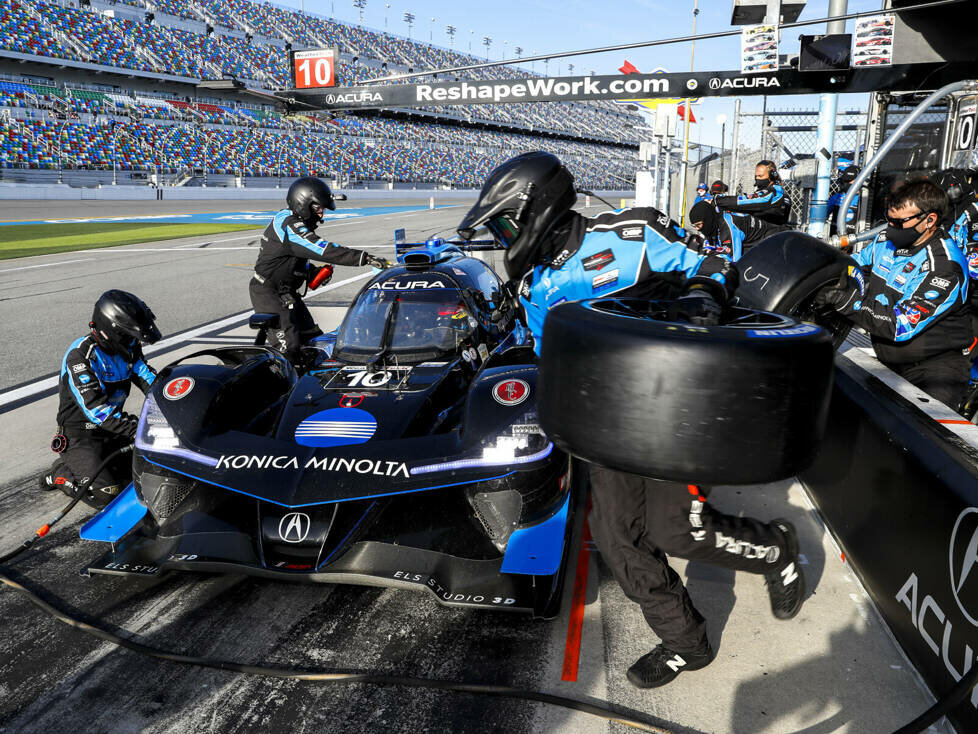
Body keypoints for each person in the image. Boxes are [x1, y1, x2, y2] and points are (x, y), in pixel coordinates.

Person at [457, 151, 806, 689]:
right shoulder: (532, 285)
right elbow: (550, 355)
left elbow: (715, 264)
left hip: (678, 409)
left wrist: (700, 294)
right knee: (618, 540)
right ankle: (687, 643)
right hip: (607, 424)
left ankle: (773, 547)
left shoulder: (633, 230)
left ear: (539, 209)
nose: (506, 238)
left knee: (677, 530)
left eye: (507, 223)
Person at [816, 179, 971, 406]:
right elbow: (848, 268)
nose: (890, 228)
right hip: (888, 359)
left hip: (934, 372)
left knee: (918, 437)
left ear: (929, 220)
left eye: (899, 222)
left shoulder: (945, 267)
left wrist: (845, 301)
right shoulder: (885, 242)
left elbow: (900, 324)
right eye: (889, 219)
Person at [251, 177, 389, 365]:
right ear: (303, 202)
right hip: (270, 293)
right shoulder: (289, 224)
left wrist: (311, 272)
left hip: (286, 293)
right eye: (318, 209)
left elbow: (287, 259)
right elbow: (321, 249)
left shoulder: (291, 222)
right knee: (289, 350)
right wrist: (364, 258)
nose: (321, 215)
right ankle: (283, 390)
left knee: (314, 340)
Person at [43, 291, 161, 508]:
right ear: (111, 331)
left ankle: (101, 466)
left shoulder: (129, 349)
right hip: (82, 437)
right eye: (128, 335)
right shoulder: (80, 356)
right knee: (107, 494)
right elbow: (98, 411)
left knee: (158, 467)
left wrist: (174, 401)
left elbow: (150, 381)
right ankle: (59, 472)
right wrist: (140, 429)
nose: (134, 341)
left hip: (113, 431)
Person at [688, 199, 789, 260]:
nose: (697, 229)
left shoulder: (727, 227)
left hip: (776, 239)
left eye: (699, 225)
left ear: (707, 219)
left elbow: (734, 260)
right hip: (756, 243)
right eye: (695, 226)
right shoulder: (715, 223)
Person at [714, 160, 791, 225]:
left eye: (760, 176)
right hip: (763, 232)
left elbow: (747, 201)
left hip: (771, 235)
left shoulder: (774, 192)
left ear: (772, 176)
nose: (757, 179)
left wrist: (717, 200)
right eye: (756, 176)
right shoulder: (772, 191)